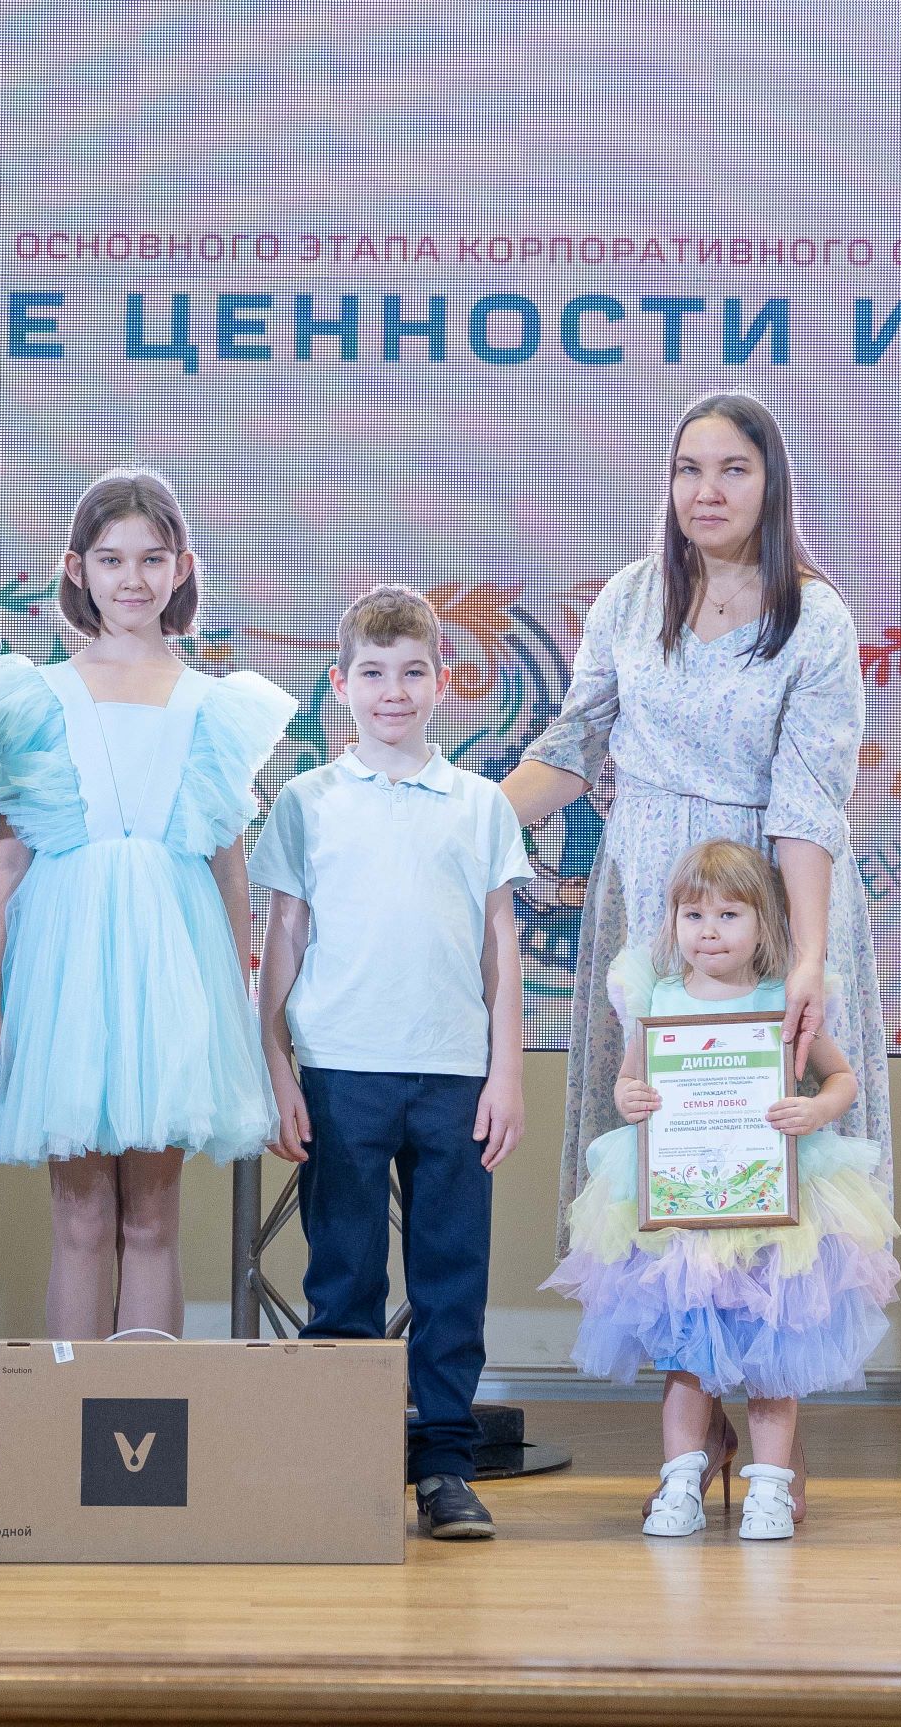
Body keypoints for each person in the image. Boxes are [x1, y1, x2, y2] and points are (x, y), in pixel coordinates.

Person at [497, 389, 891, 1246]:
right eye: (688, 470)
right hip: (650, 890)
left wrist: (807, 960)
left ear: (771, 484)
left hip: (766, 892)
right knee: (657, 1127)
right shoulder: (631, 598)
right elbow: (573, 747)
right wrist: (461, 819)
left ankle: (768, 1333)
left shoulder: (815, 618)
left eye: (732, 470)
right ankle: (668, 1331)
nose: (706, 491)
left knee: (772, 1135)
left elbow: (808, 802)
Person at [0, 469, 295, 1341]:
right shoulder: (35, 698)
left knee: (153, 1221)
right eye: (112, 558)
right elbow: (7, 864)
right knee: (82, 1218)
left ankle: (143, 1412)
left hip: (171, 977)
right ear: (77, 569)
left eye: (152, 558)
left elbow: (228, 868)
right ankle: (72, 1410)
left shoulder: (215, 707)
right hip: (66, 981)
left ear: (182, 568)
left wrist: (233, 1007)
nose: (133, 578)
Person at [250, 585, 531, 1542]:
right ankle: (347, 1467)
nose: (394, 691)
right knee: (344, 1276)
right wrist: (276, 1068)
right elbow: (283, 938)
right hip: (340, 1070)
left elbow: (500, 945)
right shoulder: (307, 801)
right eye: (373, 673)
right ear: (340, 685)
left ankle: (445, 1466)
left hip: (453, 1072)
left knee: (450, 1276)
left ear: (442, 681)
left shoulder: (480, 805)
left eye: (413, 672)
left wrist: (505, 1074)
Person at [543, 840, 897, 1540]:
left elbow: (841, 1078)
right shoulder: (660, 998)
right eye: (694, 915)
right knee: (686, 1357)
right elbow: (629, 1081)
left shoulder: (783, 1000)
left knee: (772, 1354)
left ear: (764, 925)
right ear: (673, 922)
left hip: (774, 1206)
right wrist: (629, 1098)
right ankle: (681, 1483)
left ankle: (770, 1488)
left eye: (729, 915)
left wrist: (816, 1111)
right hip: (683, 1206)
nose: (709, 931)